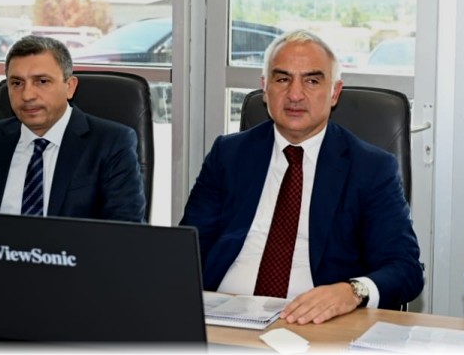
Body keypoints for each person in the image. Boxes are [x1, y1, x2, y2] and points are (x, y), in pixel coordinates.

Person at [181, 30, 422, 324]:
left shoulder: (370, 168)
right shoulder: (228, 155)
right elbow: (187, 250)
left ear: (334, 92)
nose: (295, 95)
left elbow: (405, 268)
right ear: (265, 87)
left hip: (316, 324)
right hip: (223, 317)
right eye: (282, 79)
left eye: (312, 81)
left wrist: (352, 291)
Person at [0, 35, 146, 222]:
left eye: (42, 81)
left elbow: (124, 231)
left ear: (69, 87)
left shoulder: (111, 143)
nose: (27, 95)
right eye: (17, 83)